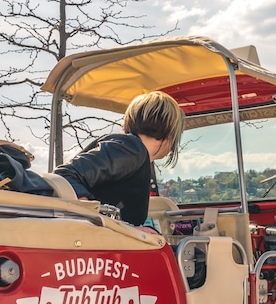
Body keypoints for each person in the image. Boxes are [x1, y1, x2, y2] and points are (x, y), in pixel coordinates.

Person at [54, 91, 185, 226]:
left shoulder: (134, 154)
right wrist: (92, 214)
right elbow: (65, 174)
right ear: (170, 134)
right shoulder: (132, 150)